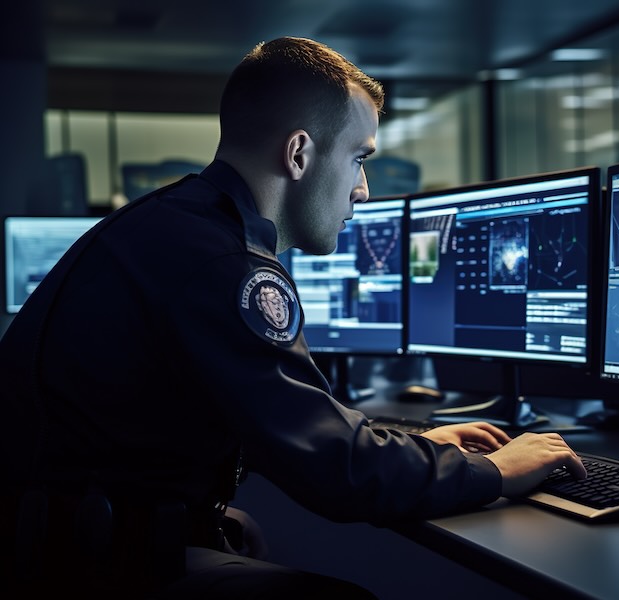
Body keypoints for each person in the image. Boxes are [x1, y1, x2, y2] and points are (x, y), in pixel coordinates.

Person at [0, 36, 586, 598]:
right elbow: (339, 471)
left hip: (59, 547)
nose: (362, 189)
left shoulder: (174, 223)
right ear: (299, 153)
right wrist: (498, 472)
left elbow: (179, 415)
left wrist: (199, 517)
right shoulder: (228, 264)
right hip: (84, 571)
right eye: (359, 159)